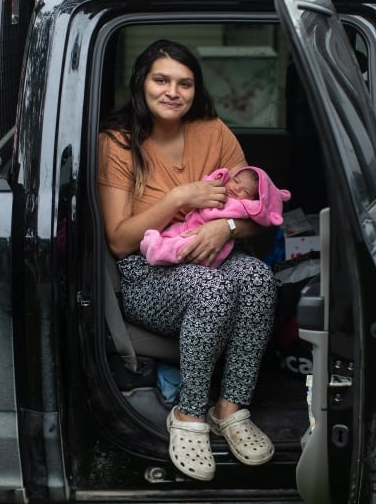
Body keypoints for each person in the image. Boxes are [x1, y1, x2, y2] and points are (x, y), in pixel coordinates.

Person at [97, 39, 277, 482]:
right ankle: (190, 413)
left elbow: (258, 212)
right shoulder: (117, 143)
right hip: (147, 272)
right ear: (142, 83)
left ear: (196, 90)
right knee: (211, 288)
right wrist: (181, 197)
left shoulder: (213, 132)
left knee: (256, 275)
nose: (173, 92)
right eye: (161, 80)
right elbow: (119, 241)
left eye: (185, 83)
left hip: (212, 252)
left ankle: (229, 408)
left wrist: (226, 228)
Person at [140, 165, 291, 268]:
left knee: (186, 245)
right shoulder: (220, 189)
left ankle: (159, 253)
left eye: (244, 190)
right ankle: (156, 242)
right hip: (188, 226)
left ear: (252, 200)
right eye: (235, 181)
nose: (236, 188)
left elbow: (260, 216)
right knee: (173, 231)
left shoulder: (242, 207)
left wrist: (229, 226)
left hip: (208, 244)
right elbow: (206, 187)